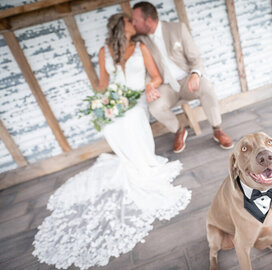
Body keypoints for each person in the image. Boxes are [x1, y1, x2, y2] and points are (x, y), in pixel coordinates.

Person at [32, 13, 191, 270]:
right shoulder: (104, 52)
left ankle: (141, 162)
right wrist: (102, 103)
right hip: (117, 100)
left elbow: (156, 76)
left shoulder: (140, 47)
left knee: (130, 118)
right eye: (130, 22)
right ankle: (130, 159)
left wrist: (152, 86)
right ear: (122, 27)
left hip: (137, 99)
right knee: (112, 121)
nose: (134, 24)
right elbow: (103, 83)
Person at [131, 1, 233, 153]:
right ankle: (179, 130)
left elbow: (196, 58)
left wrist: (195, 74)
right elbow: (146, 70)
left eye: (136, 20)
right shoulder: (140, 41)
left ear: (149, 21)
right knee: (154, 107)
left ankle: (217, 129)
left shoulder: (177, 29)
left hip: (186, 80)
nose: (133, 24)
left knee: (206, 87)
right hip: (164, 87)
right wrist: (149, 86)